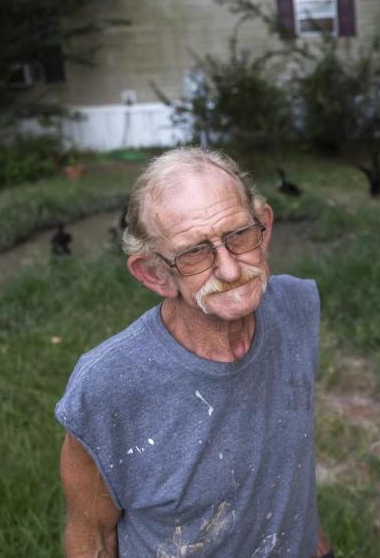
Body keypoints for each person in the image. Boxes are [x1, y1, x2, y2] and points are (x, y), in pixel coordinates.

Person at [55, 147, 333, 557]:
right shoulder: (107, 387)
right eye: (195, 253)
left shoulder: (296, 307)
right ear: (154, 273)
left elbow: (288, 470)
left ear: (265, 228)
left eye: (239, 235)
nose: (230, 270)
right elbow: (92, 537)